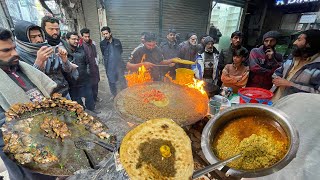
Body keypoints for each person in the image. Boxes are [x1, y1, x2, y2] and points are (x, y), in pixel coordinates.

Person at [0, 27, 57, 180]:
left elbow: (43, 93)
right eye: (6, 50)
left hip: (47, 142)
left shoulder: (21, 70)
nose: (15, 54)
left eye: (14, 48)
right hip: (24, 154)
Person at [14, 20, 73, 98]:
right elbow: (29, 84)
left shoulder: (47, 47)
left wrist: (65, 60)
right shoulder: (18, 57)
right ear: (24, 39)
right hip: (46, 99)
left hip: (63, 92)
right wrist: (39, 62)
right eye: (33, 37)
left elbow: (67, 70)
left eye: (39, 35)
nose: (39, 40)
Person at [271, 29, 320, 101]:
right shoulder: (294, 57)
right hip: (275, 100)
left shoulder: (317, 67)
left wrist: (291, 85)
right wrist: (276, 78)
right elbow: (279, 71)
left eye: (299, 40)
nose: (294, 42)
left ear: (310, 44)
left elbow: (317, 94)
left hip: (294, 106)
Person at [62, 32, 95, 111]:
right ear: (67, 40)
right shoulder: (63, 52)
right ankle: (83, 115)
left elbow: (87, 62)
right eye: (73, 39)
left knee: (90, 98)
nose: (76, 41)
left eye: (77, 39)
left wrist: (88, 73)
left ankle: (92, 112)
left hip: (84, 80)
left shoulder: (81, 50)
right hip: (72, 83)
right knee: (77, 104)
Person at [100, 26, 126, 99]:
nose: (105, 35)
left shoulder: (117, 41)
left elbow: (121, 51)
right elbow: (103, 53)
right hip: (109, 65)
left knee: (121, 79)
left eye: (106, 33)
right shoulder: (102, 43)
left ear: (110, 33)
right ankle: (114, 95)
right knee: (111, 81)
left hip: (118, 65)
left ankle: (123, 94)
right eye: (104, 34)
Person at [79, 28, 101, 102]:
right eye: (85, 36)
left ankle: (95, 97)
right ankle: (91, 100)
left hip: (94, 67)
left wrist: (96, 62)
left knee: (96, 83)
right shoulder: (80, 45)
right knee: (89, 85)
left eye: (88, 36)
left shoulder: (92, 44)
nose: (87, 38)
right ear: (82, 36)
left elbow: (95, 55)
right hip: (86, 69)